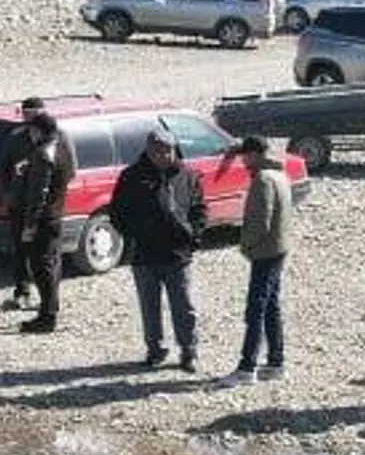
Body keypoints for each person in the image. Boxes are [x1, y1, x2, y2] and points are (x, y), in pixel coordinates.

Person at [110, 127, 207, 372]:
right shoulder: (131, 176)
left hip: (178, 254)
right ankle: (155, 350)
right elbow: (117, 212)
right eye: (157, 151)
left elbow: (199, 209)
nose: (162, 155)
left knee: (184, 306)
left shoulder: (187, 175)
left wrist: (194, 237)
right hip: (144, 254)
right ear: (148, 151)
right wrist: (133, 234)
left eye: (167, 150)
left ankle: (189, 351)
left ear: (174, 150)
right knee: (149, 307)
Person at [220, 135, 291, 385]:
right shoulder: (279, 174)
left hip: (265, 252)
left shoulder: (263, 180)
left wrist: (246, 245)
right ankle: (275, 362)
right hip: (279, 248)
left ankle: (247, 367)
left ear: (254, 155)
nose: (243, 161)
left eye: (245, 156)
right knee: (271, 306)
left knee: (256, 309)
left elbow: (261, 222)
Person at [0, 97, 77, 308]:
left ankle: (50, 299)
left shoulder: (60, 138)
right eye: (26, 114)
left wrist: (51, 193)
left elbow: (70, 170)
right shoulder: (16, 137)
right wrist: (8, 193)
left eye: (34, 114)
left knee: (47, 257)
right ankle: (22, 291)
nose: (30, 119)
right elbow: (4, 169)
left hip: (46, 209)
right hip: (19, 204)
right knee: (20, 251)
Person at [13, 112, 68, 334]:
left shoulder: (43, 154)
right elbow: (64, 175)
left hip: (43, 219)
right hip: (57, 214)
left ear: (39, 131)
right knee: (52, 264)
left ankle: (47, 316)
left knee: (40, 266)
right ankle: (51, 309)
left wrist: (30, 225)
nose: (30, 134)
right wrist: (30, 169)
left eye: (32, 130)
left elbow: (39, 194)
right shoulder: (62, 148)